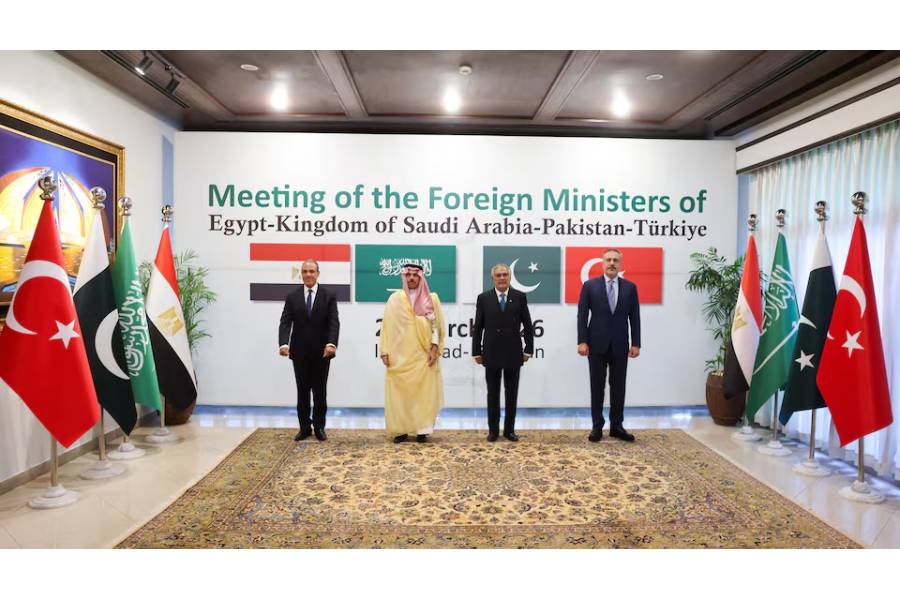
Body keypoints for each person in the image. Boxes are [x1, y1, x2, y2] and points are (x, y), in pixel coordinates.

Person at [577, 248, 641, 442]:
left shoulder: (630, 287)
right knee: (597, 387)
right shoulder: (589, 286)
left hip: (621, 344)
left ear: (620, 264)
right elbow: (582, 316)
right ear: (602, 263)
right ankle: (597, 427)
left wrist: (636, 343)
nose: (612, 263)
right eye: (608, 260)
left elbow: (635, 317)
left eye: (615, 260)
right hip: (595, 345)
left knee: (618, 386)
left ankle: (616, 426)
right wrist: (582, 340)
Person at [380, 263, 445, 443]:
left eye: (415, 275)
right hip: (399, 356)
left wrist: (434, 349)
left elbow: (436, 327)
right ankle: (400, 430)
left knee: (423, 394)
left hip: (423, 355)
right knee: (401, 394)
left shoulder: (431, 299)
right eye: (408, 275)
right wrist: (384, 350)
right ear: (404, 277)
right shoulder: (395, 299)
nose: (411, 278)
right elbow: (386, 327)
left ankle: (422, 430)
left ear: (421, 277)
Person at [472, 263, 534, 442]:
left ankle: (509, 430)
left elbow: (528, 325)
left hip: (514, 353)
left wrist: (528, 349)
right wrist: (476, 351)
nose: (501, 278)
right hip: (491, 352)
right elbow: (478, 328)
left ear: (509, 277)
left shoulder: (519, 296)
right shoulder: (483, 298)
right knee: (492, 393)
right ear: (492, 278)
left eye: (505, 275)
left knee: (511, 393)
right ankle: (493, 431)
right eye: (498, 275)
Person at [279, 259, 339, 441]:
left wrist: (331, 344)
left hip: (322, 353)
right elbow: (285, 321)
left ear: (318, 273)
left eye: (312, 271)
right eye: (305, 271)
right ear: (301, 274)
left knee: (320, 392)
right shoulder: (292, 296)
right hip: (299, 353)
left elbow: (333, 322)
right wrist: (283, 343)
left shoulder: (329, 296)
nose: (308, 275)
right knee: (302, 392)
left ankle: (319, 427)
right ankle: (304, 428)